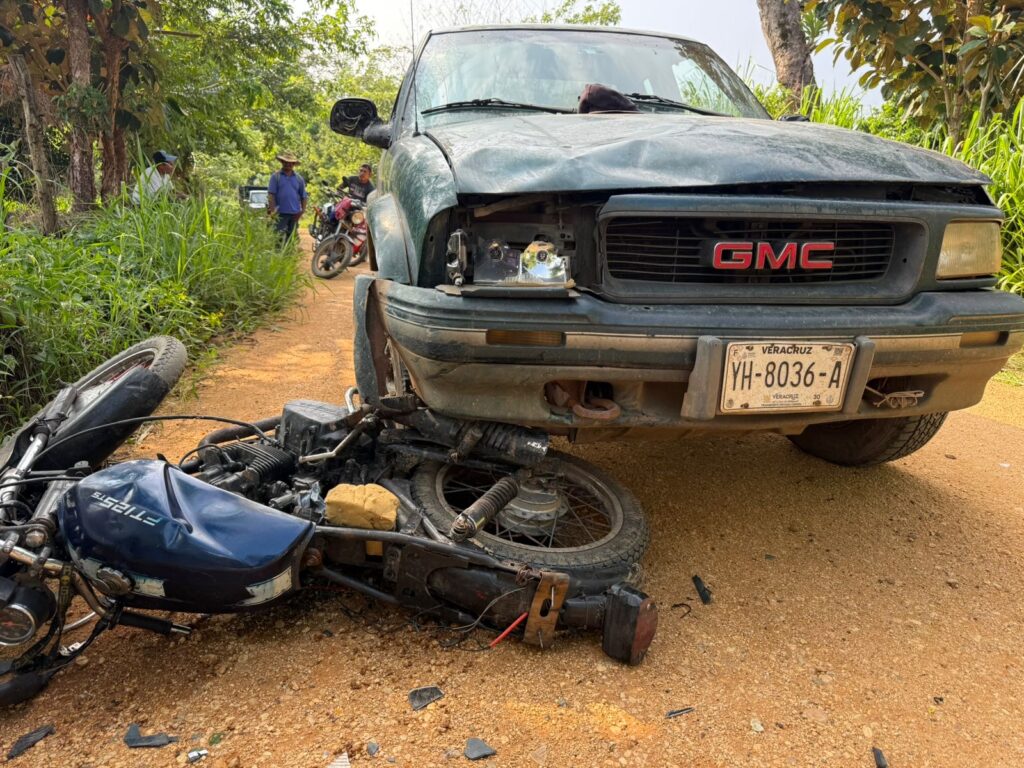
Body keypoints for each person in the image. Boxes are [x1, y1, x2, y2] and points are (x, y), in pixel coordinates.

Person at [267, 152, 308, 241]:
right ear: (282, 162)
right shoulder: (275, 177)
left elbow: (304, 196)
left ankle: (290, 253)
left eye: (290, 163)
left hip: (294, 213)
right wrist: (273, 211)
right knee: (278, 237)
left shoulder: (298, 178)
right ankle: (277, 254)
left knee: (292, 238)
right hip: (279, 213)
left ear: (293, 164)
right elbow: (271, 195)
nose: (287, 164)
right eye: (285, 162)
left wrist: (302, 211)